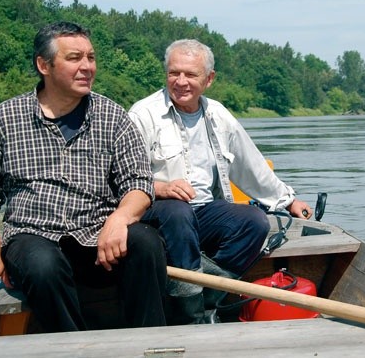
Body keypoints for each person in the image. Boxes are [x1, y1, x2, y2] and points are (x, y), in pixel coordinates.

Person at [0, 21, 167, 332]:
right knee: (43, 265)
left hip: (98, 238)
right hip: (32, 236)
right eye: (74, 58)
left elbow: (138, 183)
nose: (87, 67)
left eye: (91, 57)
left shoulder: (113, 117)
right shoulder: (4, 119)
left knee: (146, 243)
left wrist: (120, 217)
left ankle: (148, 341)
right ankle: (71, 347)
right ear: (44, 65)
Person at [128, 39, 312, 324]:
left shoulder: (218, 114)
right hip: (157, 211)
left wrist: (287, 200)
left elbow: (251, 166)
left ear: (209, 79)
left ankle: (205, 298)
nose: (180, 81)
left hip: (203, 211)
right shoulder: (144, 114)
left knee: (254, 222)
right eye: (173, 73)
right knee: (178, 211)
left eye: (190, 75)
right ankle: (191, 318)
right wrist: (161, 188)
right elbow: (122, 179)